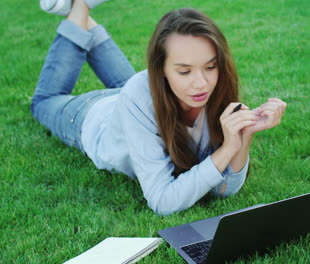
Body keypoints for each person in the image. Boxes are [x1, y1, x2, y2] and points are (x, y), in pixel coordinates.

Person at [32, 0, 287, 215]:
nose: (201, 84)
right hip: (92, 114)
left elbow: (224, 191)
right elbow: (162, 200)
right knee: (44, 101)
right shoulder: (139, 94)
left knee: (134, 90)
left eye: (210, 67)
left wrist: (239, 141)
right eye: (185, 71)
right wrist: (225, 152)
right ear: (161, 70)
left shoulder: (214, 91)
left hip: (139, 101)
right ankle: (80, 9)